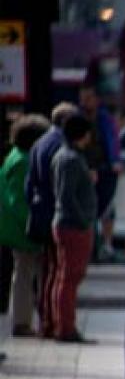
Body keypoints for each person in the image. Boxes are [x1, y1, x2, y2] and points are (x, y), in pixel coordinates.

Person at [25, 102, 79, 339]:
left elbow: (30, 184)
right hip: (57, 214)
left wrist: (35, 207)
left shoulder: (40, 143)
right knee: (58, 272)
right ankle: (55, 322)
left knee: (48, 270)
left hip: (42, 211)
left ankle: (46, 320)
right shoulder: (60, 145)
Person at [1, 114, 51, 337]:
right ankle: (22, 322)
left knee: (24, 272)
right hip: (22, 230)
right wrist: (34, 224)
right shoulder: (23, 161)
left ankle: (30, 320)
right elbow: (18, 200)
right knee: (24, 273)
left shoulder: (15, 156)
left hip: (15, 227)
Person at [50, 115, 98, 344]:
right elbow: (66, 196)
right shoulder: (70, 159)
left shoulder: (65, 156)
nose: (90, 137)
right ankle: (66, 327)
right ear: (81, 134)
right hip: (72, 227)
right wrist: (83, 221)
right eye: (87, 133)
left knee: (65, 277)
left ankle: (62, 324)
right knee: (69, 279)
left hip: (67, 224)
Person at [78, 85, 120, 259]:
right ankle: (87, 246)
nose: (84, 102)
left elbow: (113, 142)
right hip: (82, 170)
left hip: (104, 171)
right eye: (82, 98)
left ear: (96, 100)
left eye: (88, 98)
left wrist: (115, 162)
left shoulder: (105, 119)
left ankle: (105, 244)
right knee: (86, 209)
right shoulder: (76, 117)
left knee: (106, 208)